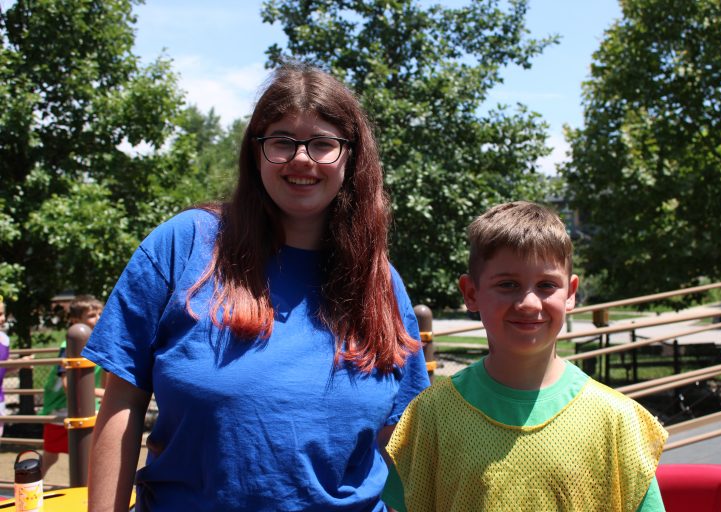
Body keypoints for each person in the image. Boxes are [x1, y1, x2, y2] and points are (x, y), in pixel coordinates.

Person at [84, 62, 430, 511]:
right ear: (256, 152)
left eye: (323, 143)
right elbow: (121, 403)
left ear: (351, 157)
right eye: (282, 141)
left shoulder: (379, 281)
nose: (301, 158)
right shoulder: (184, 245)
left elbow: (401, 437)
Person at [383, 201, 668, 511]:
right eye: (508, 284)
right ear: (471, 293)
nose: (529, 303)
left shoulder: (616, 420)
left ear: (570, 293)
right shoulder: (431, 415)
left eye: (547, 285)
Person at [40, 294, 105, 477]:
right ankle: (30, 488)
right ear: (76, 321)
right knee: (50, 457)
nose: (98, 319)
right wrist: (102, 394)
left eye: (101, 313)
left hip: (85, 406)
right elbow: (70, 385)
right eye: (92, 315)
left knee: (95, 452)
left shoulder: (99, 344)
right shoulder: (70, 344)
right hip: (61, 409)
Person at [0, 297, 10, 437]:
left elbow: (4, 367)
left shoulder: (5, 339)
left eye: (2, 314)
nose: (1, 318)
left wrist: (21, 363)